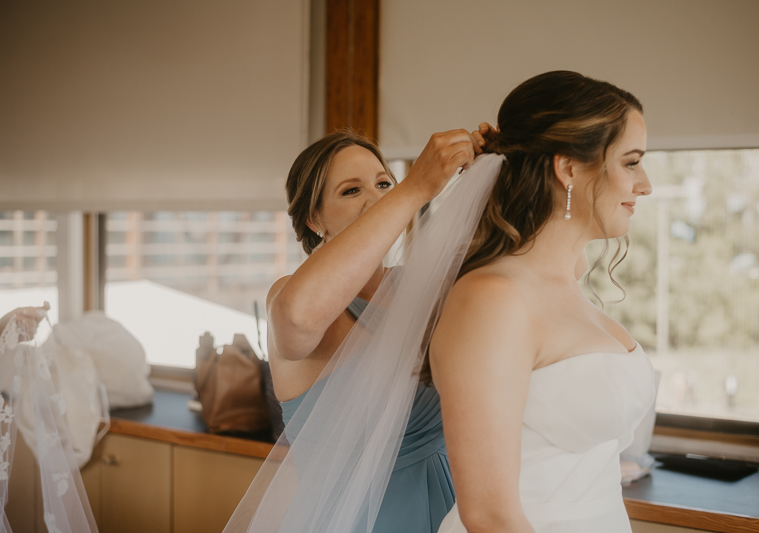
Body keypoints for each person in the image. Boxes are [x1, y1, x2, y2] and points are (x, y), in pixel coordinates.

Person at [431, 71, 656, 533]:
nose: (645, 184)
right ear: (568, 168)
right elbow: (489, 514)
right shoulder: (491, 301)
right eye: (631, 163)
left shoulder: (569, 285)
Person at [261, 128, 484, 533]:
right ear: (313, 218)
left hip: (456, 511)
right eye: (350, 191)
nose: (377, 198)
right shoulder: (289, 298)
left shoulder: (423, 290)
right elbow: (298, 318)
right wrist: (415, 187)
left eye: (384, 183)